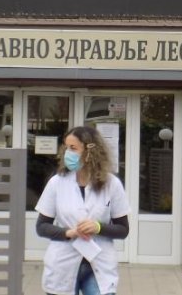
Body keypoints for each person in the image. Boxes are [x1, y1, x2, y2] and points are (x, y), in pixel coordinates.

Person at [35, 125, 130, 295]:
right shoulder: (57, 183)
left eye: (73, 148)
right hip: (63, 264)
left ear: (89, 151)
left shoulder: (112, 184)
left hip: (98, 265)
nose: (68, 153)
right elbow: (42, 227)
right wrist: (69, 233)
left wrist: (98, 227)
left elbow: (123, 230)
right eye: (66, 148)